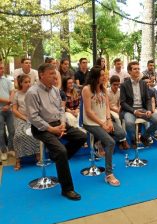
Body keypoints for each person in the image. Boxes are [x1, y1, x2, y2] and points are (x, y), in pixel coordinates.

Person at [25, 63, 86, 200]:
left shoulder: (55, 90)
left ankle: (57, 158)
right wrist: (52, 129)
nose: (55, 76)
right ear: (42, 75)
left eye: (55, 73)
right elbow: (33, 117)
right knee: (61, 151)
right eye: (51, 73)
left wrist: (63, 123)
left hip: (59, 124)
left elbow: (60, 110)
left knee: (81, 136)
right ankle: (67, 189)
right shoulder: (32, 92)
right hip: (41, 128)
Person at [82, 66, 129, 186]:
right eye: (102, 75)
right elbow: (88, 112)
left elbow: (107, 107)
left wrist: (108, 120)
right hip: (91, 123)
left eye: (105, 75)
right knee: (110, 142)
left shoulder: (103, 89)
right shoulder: (86, 89)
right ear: (95, 76)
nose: (105, 77)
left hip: (104, 120)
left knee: (122, 133)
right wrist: (102, 124)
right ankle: (109, 174)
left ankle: (100, 141)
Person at [120, 61, 157, 147]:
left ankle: (144, 137)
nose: (137, 70)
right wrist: (134, 111)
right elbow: (123, 103)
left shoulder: (143, 84)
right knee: (129, 123)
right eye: (135, 69)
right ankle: (133, 140)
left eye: (138, 69)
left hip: (142, 109)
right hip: (130, 110)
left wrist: (149, 110)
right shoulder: (124, 85)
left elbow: (148, 99)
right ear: (129, 72)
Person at [12, 75, 40, 170]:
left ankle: (38, 156)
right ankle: (18, 160)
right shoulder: (17, 94)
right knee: (18, 135)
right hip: (20, 118)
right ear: (21, 83)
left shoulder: (34, 93)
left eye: (29, 82)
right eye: (26, 82)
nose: (28, 84)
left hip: (33, 118)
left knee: (35, 133)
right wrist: (24, 117)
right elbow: (14, 110)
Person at [0, 62, 15, 162]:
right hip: (0, 110)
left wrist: (9, 104)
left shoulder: (7, 80)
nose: (1, 70)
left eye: (2, 68)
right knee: (0, 132)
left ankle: (10, 148)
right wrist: (8, 102)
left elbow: (12, 92)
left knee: (12, 130)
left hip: (9, 110)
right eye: (0, 68)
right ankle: (3, 151)